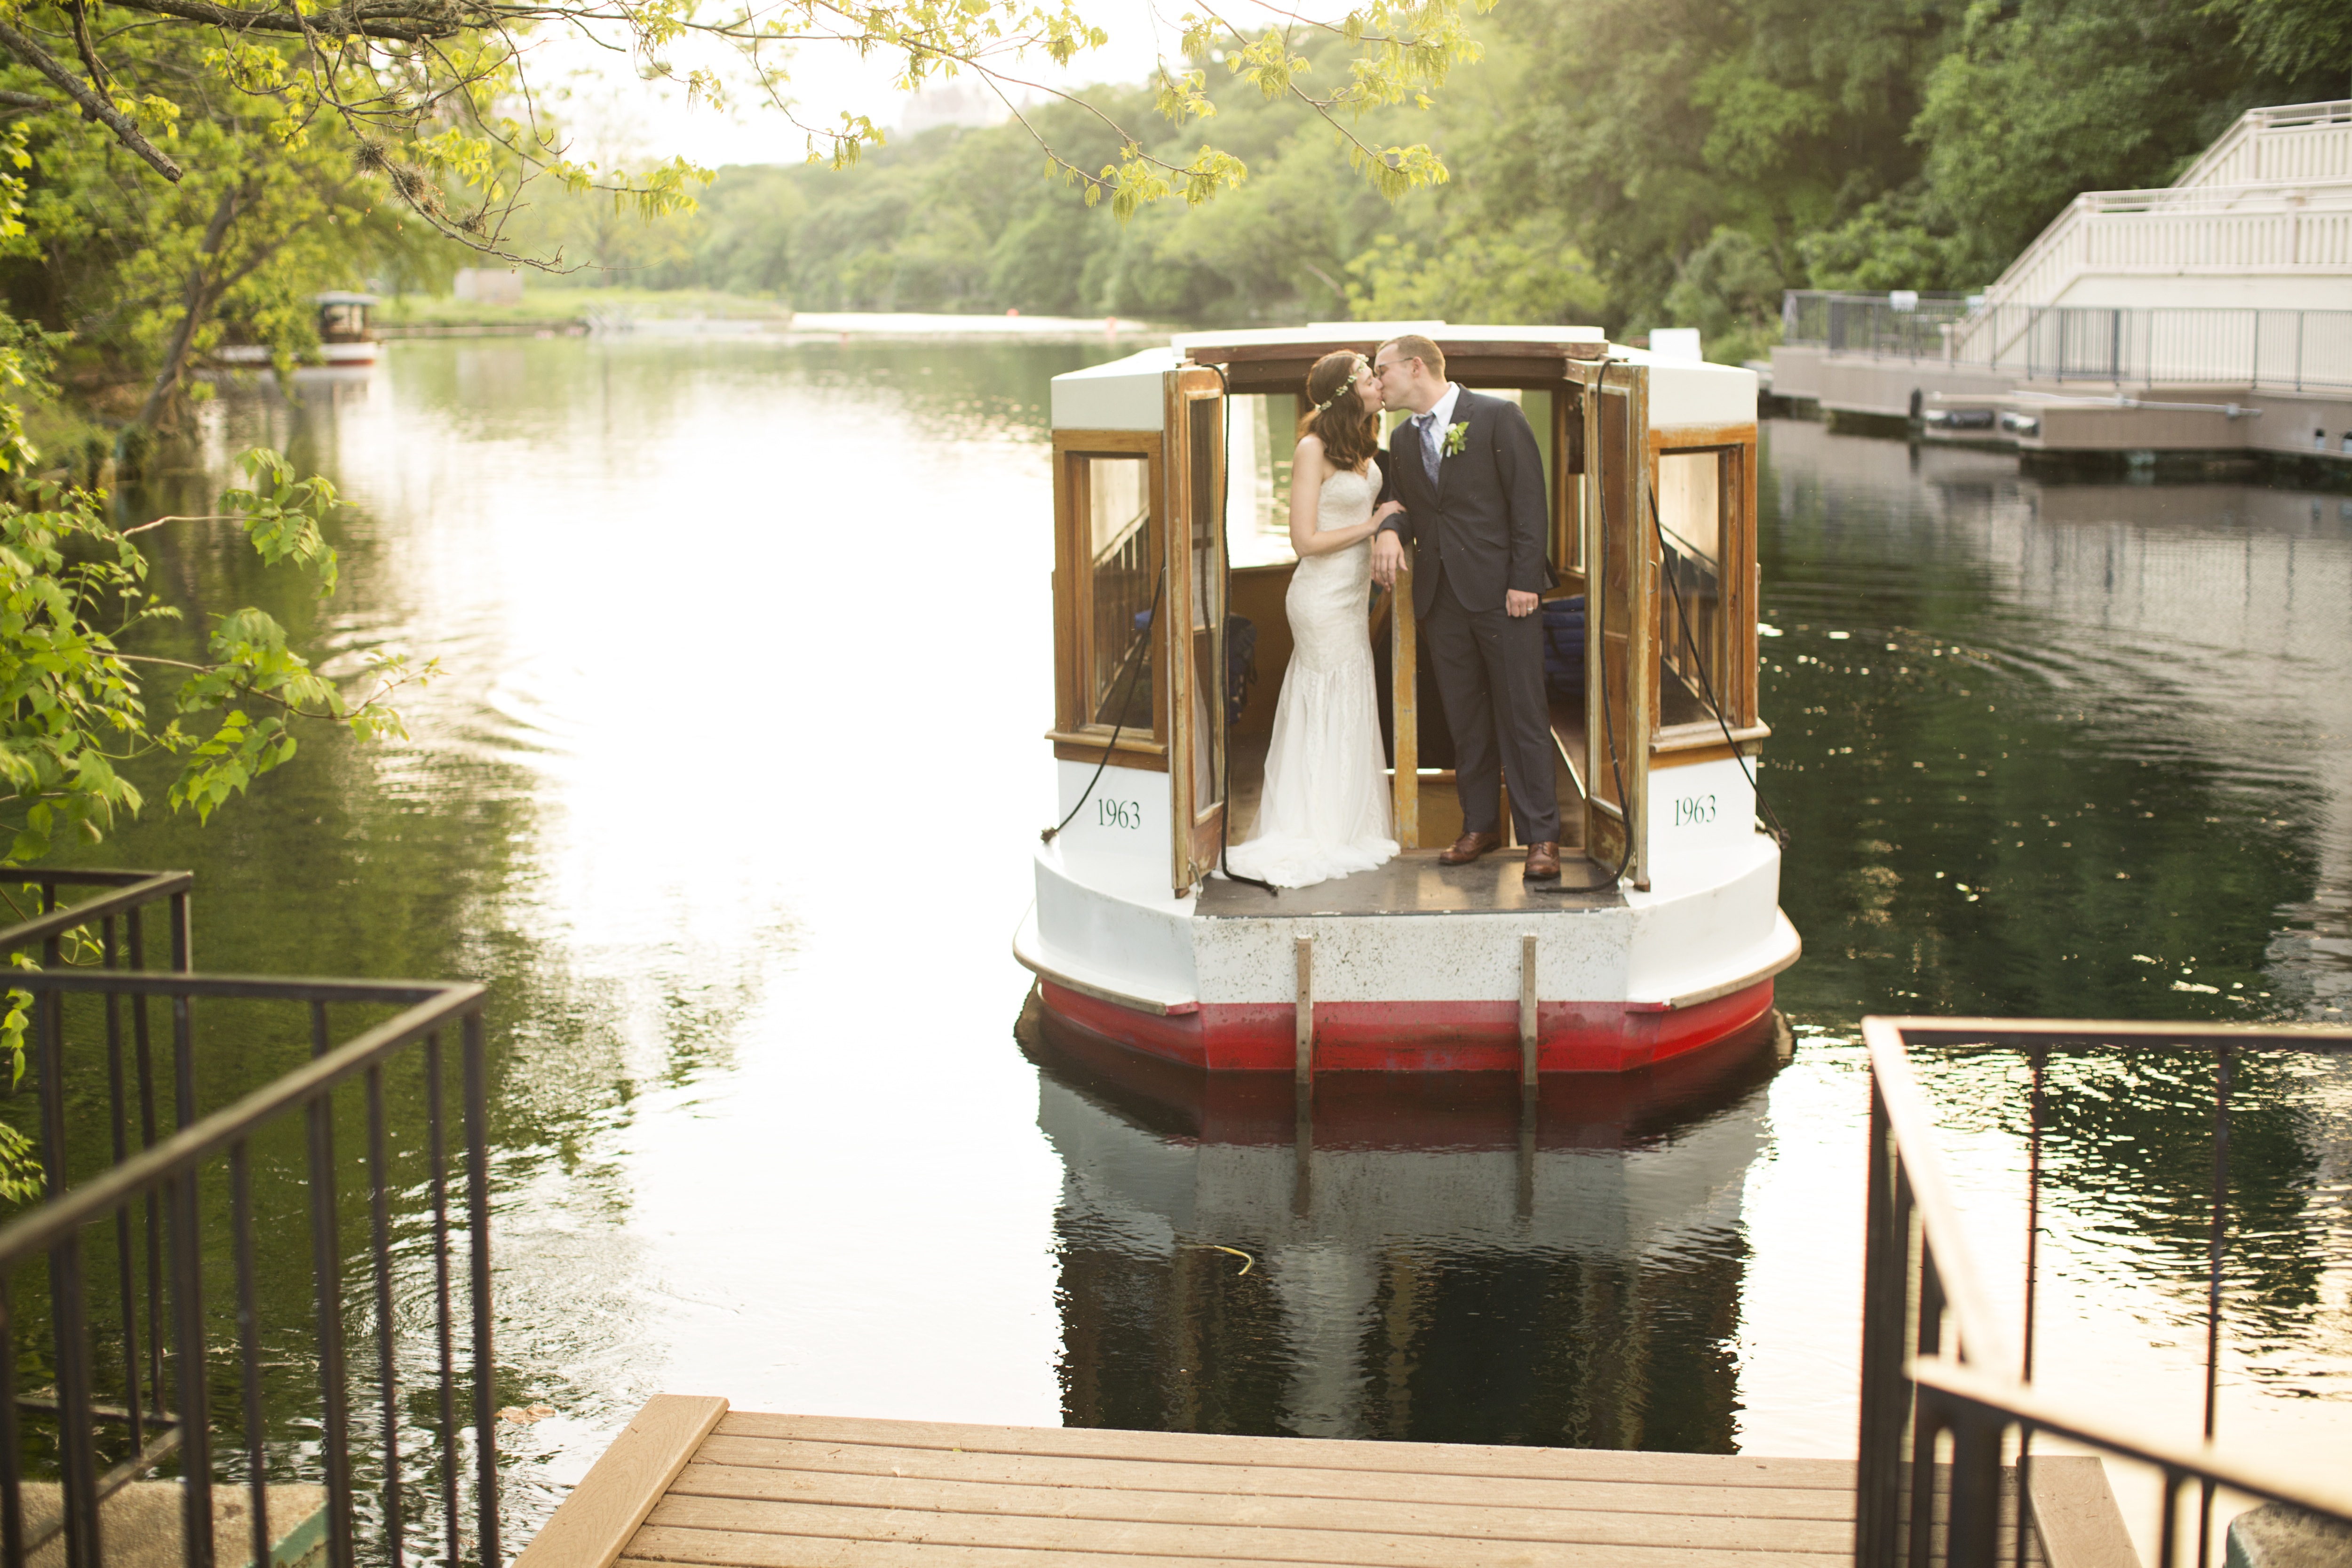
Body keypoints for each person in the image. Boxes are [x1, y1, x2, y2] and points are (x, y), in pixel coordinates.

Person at [1368, 334, 1564, 881]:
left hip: (1505, 596)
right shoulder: (1402, 439)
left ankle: (1541, 838)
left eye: (1381, 371)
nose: (1377, 381)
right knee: (1465, 718)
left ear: (1414, 367)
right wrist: (1387, 529)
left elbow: (1529, 502)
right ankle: (1479, 826)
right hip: (1440, 599)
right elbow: (1407, 507)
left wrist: (1524, 581)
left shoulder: (1499, 417)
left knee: (1521, 714)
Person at [1224, 351, 1405, 889]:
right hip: (1320, 597)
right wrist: (1373, 525)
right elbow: (1303, 541)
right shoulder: (1312, 449)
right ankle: (1317, 826)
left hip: (1352, 596)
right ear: (1349, 391)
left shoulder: (1366, 448)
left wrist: (1386, 530)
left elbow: (1388, 497)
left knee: (1349, 697)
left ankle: (1346, 820)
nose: (1379, 384)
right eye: (1371, 378)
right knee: (1327, 698)